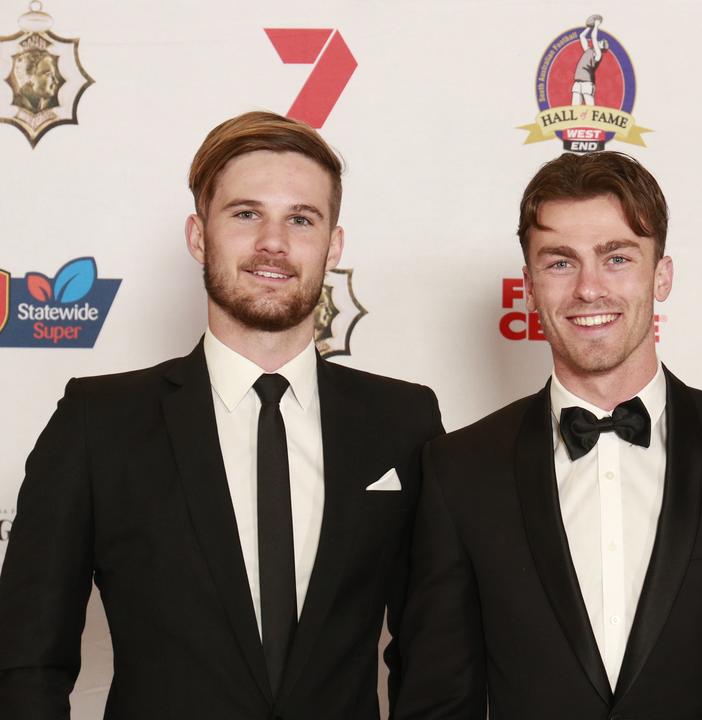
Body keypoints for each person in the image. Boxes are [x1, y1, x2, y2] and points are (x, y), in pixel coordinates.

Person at [0, 111, 444, 719]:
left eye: (301, 219)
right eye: (245, 214)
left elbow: (435, 656)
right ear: (198, 235)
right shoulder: (97, 423)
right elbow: (26, 660)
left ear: (333, 245)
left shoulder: (403, 421)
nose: (273, 243)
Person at [394, 151, 702, 719]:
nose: (588, 289)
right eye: (560, 263)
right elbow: (437, 699)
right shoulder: (459, 471)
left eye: (617, 258)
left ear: (662, 275)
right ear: (528, 287)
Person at [572, 16, 608, 106]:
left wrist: (596, 25)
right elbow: (582, 36)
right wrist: (589, 27)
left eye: (601, 43)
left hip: (587, 83)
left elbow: (593, 37)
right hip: (578, 82)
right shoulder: (589, 50)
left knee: (590, 109)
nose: (599, 42)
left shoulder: (598, 55)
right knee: (574, 109)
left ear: (602, 47)